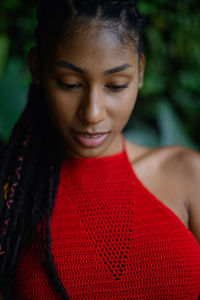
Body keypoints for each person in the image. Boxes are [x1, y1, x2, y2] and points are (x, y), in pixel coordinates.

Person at [0, 0, 200, 299]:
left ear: (140, 72)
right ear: (37, 67)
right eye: (69, 84)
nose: (93, 113)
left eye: (116, 85)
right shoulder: (13, 198)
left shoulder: (189, 174)